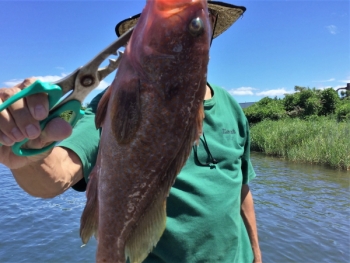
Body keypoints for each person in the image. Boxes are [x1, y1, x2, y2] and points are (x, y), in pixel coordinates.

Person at [0, 1, 262, 262]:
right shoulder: (110, 104)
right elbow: (56, 176)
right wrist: (29, 153)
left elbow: (242, 190)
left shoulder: (232, 107)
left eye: (197, 24)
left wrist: (256, 255)